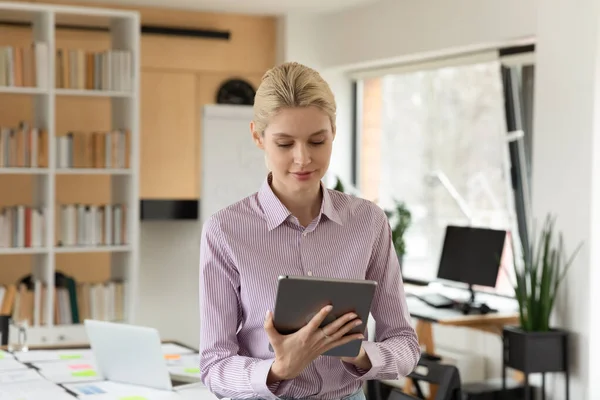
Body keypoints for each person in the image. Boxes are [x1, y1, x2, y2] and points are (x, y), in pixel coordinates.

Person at [198, 62, 420, 400]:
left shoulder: (368, 222)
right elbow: (214, 366)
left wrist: (357, 353)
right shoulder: (225, 231)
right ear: (258, 136)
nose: (303, 159)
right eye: (285, 144)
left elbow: (405, 343)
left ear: (333, 131)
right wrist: (278, 369)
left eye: (317, 141)